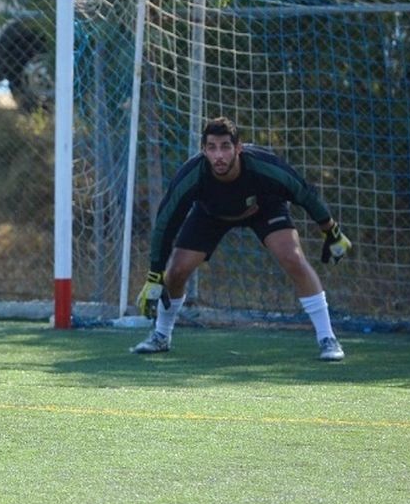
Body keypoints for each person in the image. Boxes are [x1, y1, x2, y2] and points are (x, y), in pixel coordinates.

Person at [129, 116, 352, 361]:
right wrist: (155, 274)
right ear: (203, 150)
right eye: (212, 148)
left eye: (225, 146)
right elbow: (165, 223)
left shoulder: (264, 166)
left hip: (265, 208)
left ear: (238, 148)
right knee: (176, 271)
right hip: (210, 215)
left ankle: (327, 338)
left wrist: (332, 232)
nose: (219, 155)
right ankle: (161, 335)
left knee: (293, 258)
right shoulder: (192, 175)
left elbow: (304, 193)